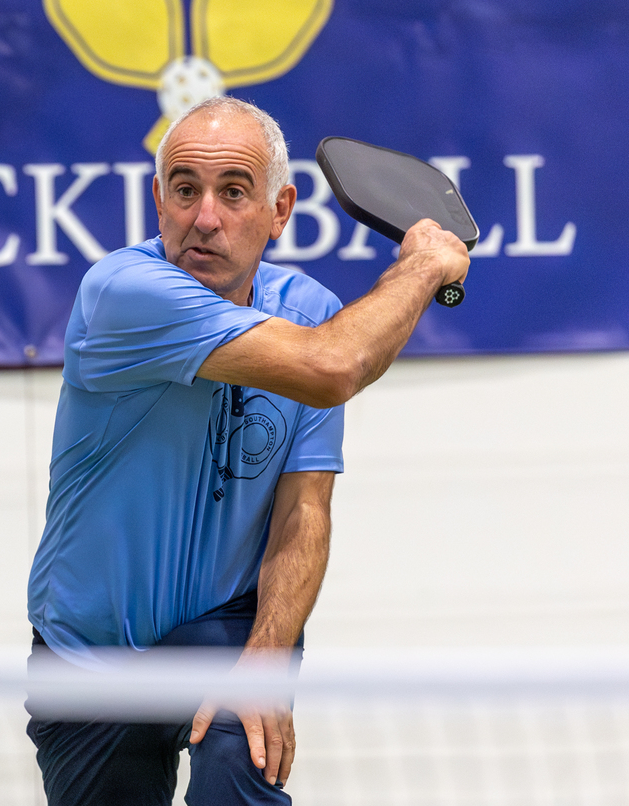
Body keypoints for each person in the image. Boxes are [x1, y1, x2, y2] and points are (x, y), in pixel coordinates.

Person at [26, 95, 470, 806]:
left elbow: (305, 512)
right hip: (91, 652)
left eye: (234, 192)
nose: (205, 218)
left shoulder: (311, 310)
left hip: (228, 625)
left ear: (279, 208)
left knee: (240, 765)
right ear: (158, 199)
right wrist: (421, 268)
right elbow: (333, 366)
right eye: (185, 190)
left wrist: (265, 659)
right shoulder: (123, 293)